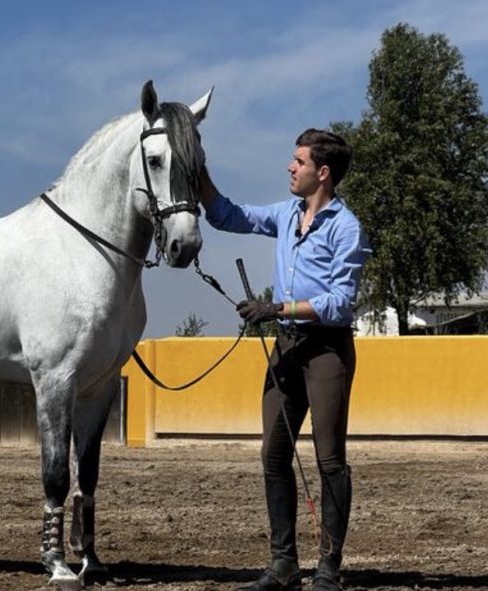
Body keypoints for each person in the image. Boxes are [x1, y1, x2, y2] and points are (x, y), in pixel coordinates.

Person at [200, 129, 371, 591]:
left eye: (298, 161)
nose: (290, 168)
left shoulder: (345, 226)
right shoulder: (284, 214)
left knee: (329, 458)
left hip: (327, 350)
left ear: (323, 172)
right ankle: (284, 564)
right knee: (274, 455)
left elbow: (340, 303)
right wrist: (198, 173)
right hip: (286, 349)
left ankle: (329, 569)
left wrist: (276, 309)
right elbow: (227, 215)